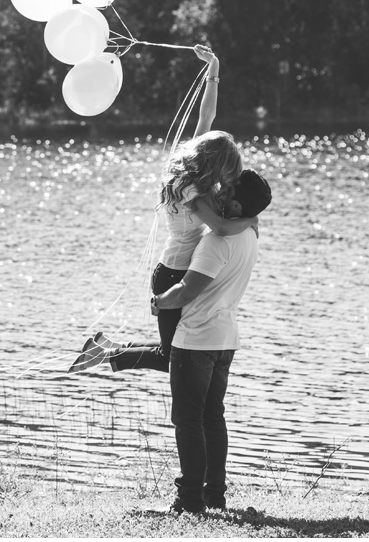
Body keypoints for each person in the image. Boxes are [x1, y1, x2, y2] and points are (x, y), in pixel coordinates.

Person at [70, 45, 257, 374]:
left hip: (180, 270)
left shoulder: (192, 166)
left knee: (173, 352)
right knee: (170, 358)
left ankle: (104, 349)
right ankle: (102, 352)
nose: (229, 179)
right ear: (214, 166)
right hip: (172, 274)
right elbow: (223, 229)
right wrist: (252, 220)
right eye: (227, 171)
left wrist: (214, 67)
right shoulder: (192, 192)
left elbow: (206, 117)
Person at [155, 168, 272, 514]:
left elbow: (186, 291)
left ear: (235, 205)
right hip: (225, 340)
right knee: (212, 417)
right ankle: (215, 494)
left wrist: (158, 302)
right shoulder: (249, 233)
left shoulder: (215, 241)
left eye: (227, 188)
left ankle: (190, 499)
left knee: (187, 420)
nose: (219, 189)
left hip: (196, 341)